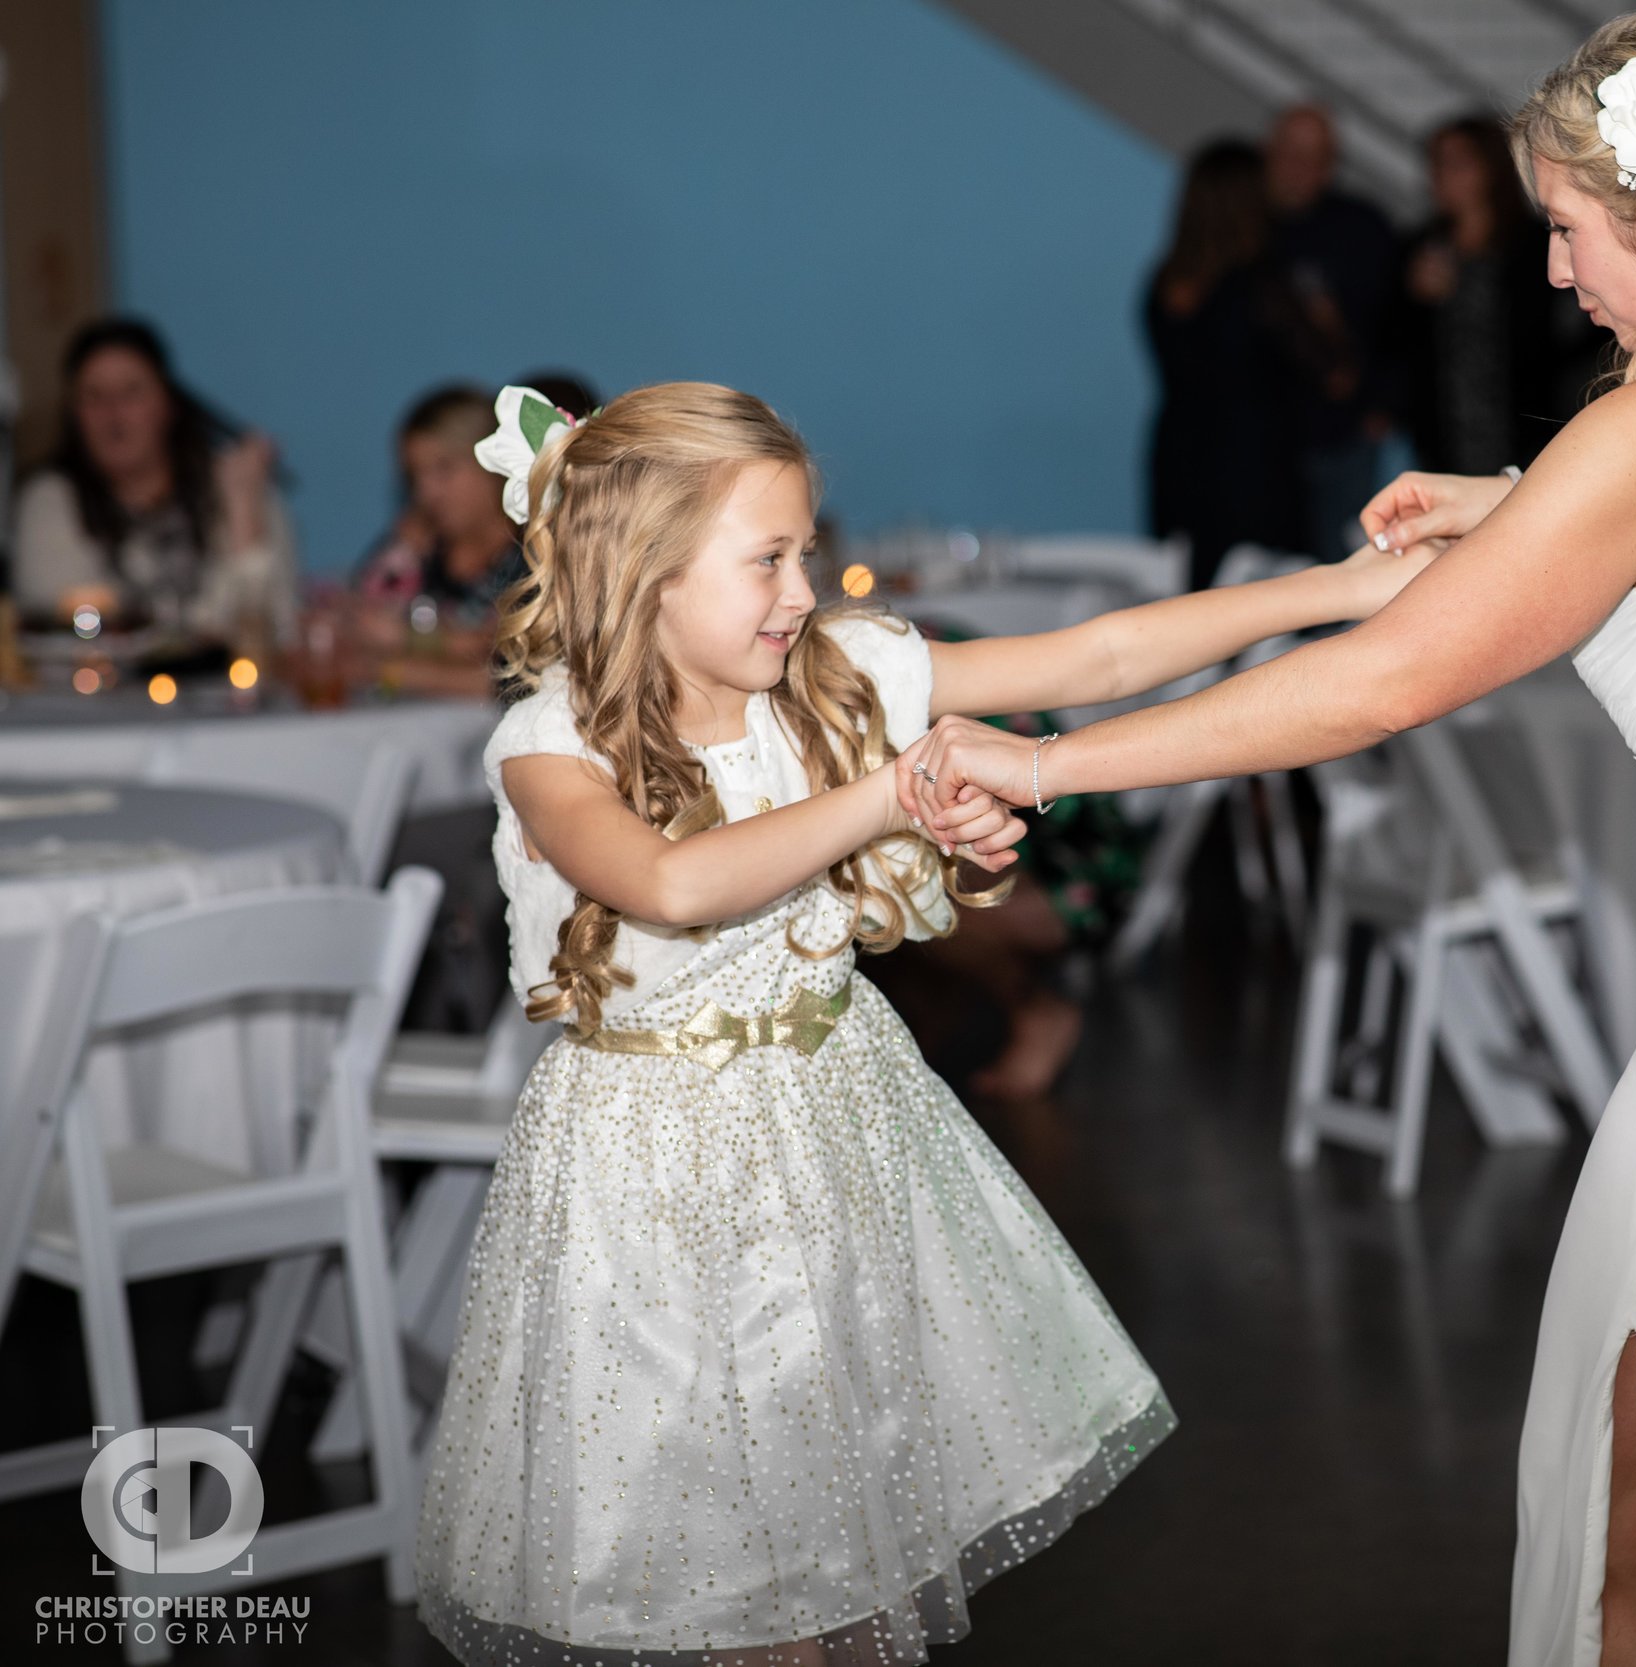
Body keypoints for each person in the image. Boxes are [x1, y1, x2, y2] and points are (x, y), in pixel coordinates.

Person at [902, 8, 1636, 1663]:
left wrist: (1051, 763)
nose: (1551, 273)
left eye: (1567, 229)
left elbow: (1375, 684)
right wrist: (1509, 499)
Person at [413, 380, 1437, 1665]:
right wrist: (894, 794)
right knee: (703, 1561)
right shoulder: (551, 743)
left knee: (836, 1531)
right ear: (645, 570)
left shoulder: (835, 677)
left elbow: (1101, 658)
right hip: (650, 1180)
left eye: (806, 549)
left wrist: (1334, 593)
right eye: (768, 560)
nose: (804, 589)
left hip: (835, 1137)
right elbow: (673, 883)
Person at [11, 316, 297, 641]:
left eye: (131, 391)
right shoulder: (49, 500)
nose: (113, 413)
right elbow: (75, 627)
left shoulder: (235, 487)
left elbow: (274, 628)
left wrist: (244, 519)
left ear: (168, 403)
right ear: (74, 414)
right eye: (94, 395)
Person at [1145, 139, 1321, 590]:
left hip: (1180, 452)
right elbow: (1320, 370)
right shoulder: (1262, 284)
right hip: (1253, 461)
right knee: (1260, 596)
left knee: (1188, 591)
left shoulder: (1164, 281)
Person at [1400, 115, 1577, 474]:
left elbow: (1567, 334)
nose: (1442, 174)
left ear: (1490, 167)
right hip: (1445, 429)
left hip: (1523, 424)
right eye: (1436, 163)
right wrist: (1415, 299)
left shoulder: (1533, 244)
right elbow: (1391, 345)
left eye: (1456, 162)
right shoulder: (1422, 246)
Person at [1268, 103, 1399, 556]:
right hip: (1262, 437)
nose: (1301, 168)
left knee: (1340, 562)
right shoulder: (1245, 228)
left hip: (1345, 432)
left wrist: (1381, 404)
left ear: (1331, 164)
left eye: (1315, 156)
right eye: (1290, 153)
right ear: (1269, 154)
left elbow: (1396, 324)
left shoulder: (1362, 227)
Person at [354, 383, 524, 697]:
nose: (426, 492)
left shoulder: (531, 554)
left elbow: (514, 678)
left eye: (444, 469)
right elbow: (352, 632)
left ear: (493, 460)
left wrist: (395, 659)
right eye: (415, 476)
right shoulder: (412, 551)